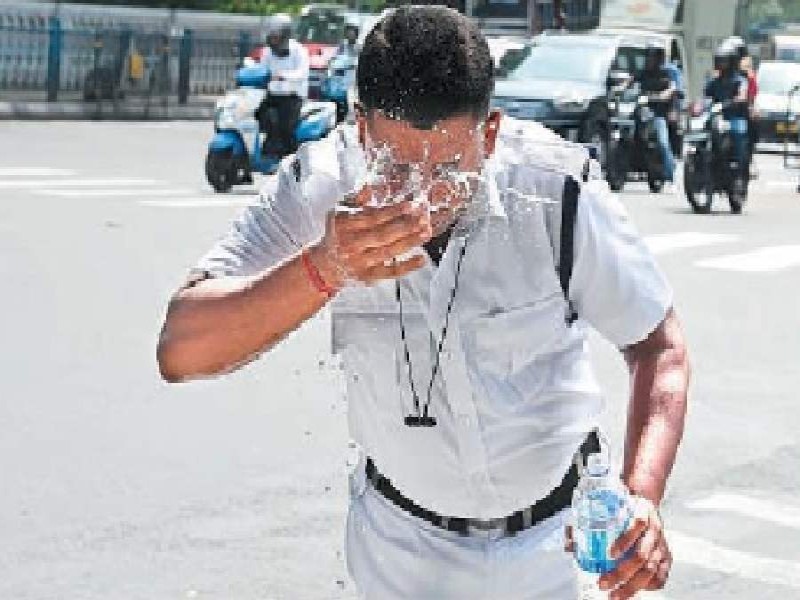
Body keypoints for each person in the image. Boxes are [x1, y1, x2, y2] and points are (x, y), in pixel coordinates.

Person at [157, 7, 690, 599]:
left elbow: (658, 346)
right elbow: (181, 349)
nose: (422, 196)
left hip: (556, 548)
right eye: (398, 165)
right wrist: (322, 268)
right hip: (400, 550)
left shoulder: (556, 189)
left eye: (449, 169)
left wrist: (642, 498)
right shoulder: (320, 184)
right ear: (362, 129)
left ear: (488, 133)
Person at [256, 13, 309, 155]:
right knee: (257, 115)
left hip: (292, 97)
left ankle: (291, 157)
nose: (273, 39)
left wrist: (283, 76)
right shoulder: (267, 52)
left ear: (285, 35)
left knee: (286, 127)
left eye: (276, 36)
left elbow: (302, 74)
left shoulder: (299, 50)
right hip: (271, 95)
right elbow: (262, 70)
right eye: (271, 36)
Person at [704, 44, 749, 175]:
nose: (721, 64)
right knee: (702, 131)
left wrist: (732, 102)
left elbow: (742, 95)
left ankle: (739, 169)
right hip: (716, 117)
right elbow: (705, 96)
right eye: (719, 60)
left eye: (724, 60)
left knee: (738, 133)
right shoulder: (713, 81)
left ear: (732, 61)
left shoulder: (740, 80)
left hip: (734, 117)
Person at [637, 44, 677, 182]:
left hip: (658, 114)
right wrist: (621, 87)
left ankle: (669, 172)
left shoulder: (667, 74)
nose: (649, 60)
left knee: (662, 142)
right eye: (648, 57)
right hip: (640, 113)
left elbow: (672, 89)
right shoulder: (643, 73)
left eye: (652, 57)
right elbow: (630, 81)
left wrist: (663, 95)